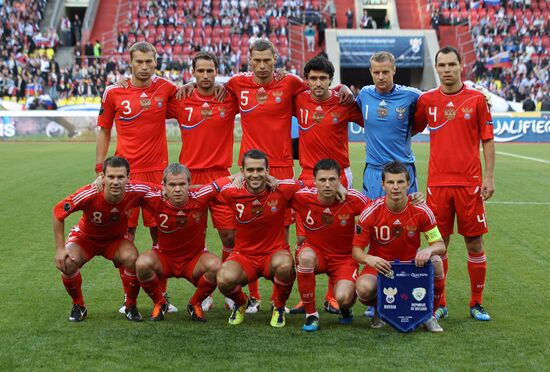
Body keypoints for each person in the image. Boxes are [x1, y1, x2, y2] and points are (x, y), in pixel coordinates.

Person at [223, 39, 352, 311]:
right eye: (256, 60)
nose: (261, 65)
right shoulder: (237, 83)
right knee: (246, 229)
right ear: (249, 60)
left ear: (275, 61)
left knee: (287, 234)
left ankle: (280, 299)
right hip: (250, 169)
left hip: (281, 168)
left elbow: (320, 89)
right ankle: (253, 297)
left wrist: (342, 88)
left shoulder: (291, 83)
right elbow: (212, 90)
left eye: (267, 60)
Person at [95, 41, 178, 312]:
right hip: (125, 177)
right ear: (129, 62)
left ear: (156, 62)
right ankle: (129, 300)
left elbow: (193, 99)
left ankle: (162, 298)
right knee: (125, 237)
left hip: (157, 175)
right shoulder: (114, 92)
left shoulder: (166, 89)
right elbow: (105, 131)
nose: (144, 67)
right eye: (139, 62)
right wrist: (100, 171)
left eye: (149, 62)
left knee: (162, 236)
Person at [414, 46, 495, 321]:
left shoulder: (477, 100)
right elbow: (409, 128)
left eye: (451, 64)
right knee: (440, 244)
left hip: (469, 184)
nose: (447, 70)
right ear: (436, 68)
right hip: (437, 185)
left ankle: (476, 303)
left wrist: (490, 176)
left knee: (474, 243)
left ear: (461, 66)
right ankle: (441, 303)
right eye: (442, 65)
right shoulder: (427, 101)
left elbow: (487, 140)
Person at [289, 56, 363, 314]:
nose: (317, 83)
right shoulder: (299, 99)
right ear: (306, 80)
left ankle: (333, 296)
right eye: (313, 78)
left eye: (323, 78)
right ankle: (305, 298)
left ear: (331, 80)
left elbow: (371, 120)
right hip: (307, 176)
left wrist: (347, 91)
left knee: (338, 236)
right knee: (302, 237)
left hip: (339, 177)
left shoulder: (343, 102)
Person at [167, 51, 239, 310]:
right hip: (190, 178)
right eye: (201, 71)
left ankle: (230, 290)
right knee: (194, 240)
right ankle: (205, 291)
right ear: (192, 73)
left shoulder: (229, 98)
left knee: (229, 236)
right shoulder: (180, 99)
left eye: (210, 71)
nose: (206, 76)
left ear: (217, 72)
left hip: (220, 175)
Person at [52, 157, 155, 322]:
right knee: (67, 262)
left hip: (115, 240)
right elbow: (58, 212)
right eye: (111, 177)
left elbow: (165, 190)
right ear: (102, 177)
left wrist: (208, 188)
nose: (115, 181)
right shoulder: (90, 192)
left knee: (132, 259)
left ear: (128, 177)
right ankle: (78, 305)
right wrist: (59, 249)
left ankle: (130, 305)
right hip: (85, 239)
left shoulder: (136, 190)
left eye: (120, 177)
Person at [352, 161, 446, 332]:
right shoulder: (371, 211)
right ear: (383, 184)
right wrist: (369, 258)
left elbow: (440, 245)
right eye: (390, 182)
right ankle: (381, 309)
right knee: (363, 288)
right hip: (381, 266)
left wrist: (428, 250)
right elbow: (356, 251)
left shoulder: (420, 210)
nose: (395, 187)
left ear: (408, 184)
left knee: (437, 261)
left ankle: (429, 314)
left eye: (400, 182)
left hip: (411, 266)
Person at [136, 164, 234, 321]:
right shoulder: (154, 198)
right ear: (164, 186)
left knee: (216, 267)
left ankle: (195, 304)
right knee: (142, 264)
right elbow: (128, 186)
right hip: (165, 258)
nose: (177, 189)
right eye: (172, 185)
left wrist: (253, 177)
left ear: (190, 184)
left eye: (182, 184)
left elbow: (228, 181)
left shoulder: (200, 195)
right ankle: (160, 303)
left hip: (194, 260)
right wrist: (100, 180)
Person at [216, 149, 302, 328]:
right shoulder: (232, 192)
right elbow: (204, 189)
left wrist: (340, 187)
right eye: (250, 170)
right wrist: (231, 178)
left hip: (274, 254)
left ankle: (278, 306)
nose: (255, 174)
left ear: (268, 171)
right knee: (223, 279)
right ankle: (241, 303)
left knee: (286, 265)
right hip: (244, 256)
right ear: (242, 171)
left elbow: (311, 184)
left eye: (260, 170)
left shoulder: (281, 188)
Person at [291, 159, 370, 331]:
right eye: (322, 180)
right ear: (314, 181)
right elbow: (277, 188)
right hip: (316, 253)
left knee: (344, 297)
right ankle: (311, 314)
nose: (327, 184)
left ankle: (345, 309)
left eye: (332, 180)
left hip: (344, 258)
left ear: (340, 179)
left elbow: (379, 210)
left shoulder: (352, 199)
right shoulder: (302, 196)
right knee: (304, 257)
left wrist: (412, 201)